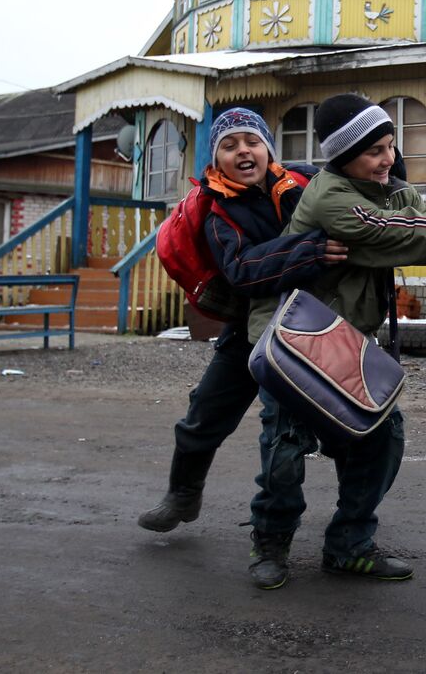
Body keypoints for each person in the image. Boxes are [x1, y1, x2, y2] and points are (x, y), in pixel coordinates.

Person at [248, 93, 426, 584]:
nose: (389, 159)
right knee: (286, 444)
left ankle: (350, 544)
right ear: (345, 156)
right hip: (298, 338)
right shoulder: (331, 197)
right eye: (375, 151)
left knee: (381, 437)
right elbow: (410, 235)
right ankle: (271, 544)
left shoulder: (392, 191)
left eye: (391, 147)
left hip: (348, 338)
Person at [136, 107, 349, 591]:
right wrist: (310, 251)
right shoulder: (217, 208)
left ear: (268, 148)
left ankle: (354, 524)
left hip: (316, 326)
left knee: (333, 431)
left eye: (250, 141)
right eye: (229, 146)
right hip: (249, 328)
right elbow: (243, 271)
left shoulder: (303, 183)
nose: (242, 152)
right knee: (204, 415)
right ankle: (184, 495)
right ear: (218, 160)